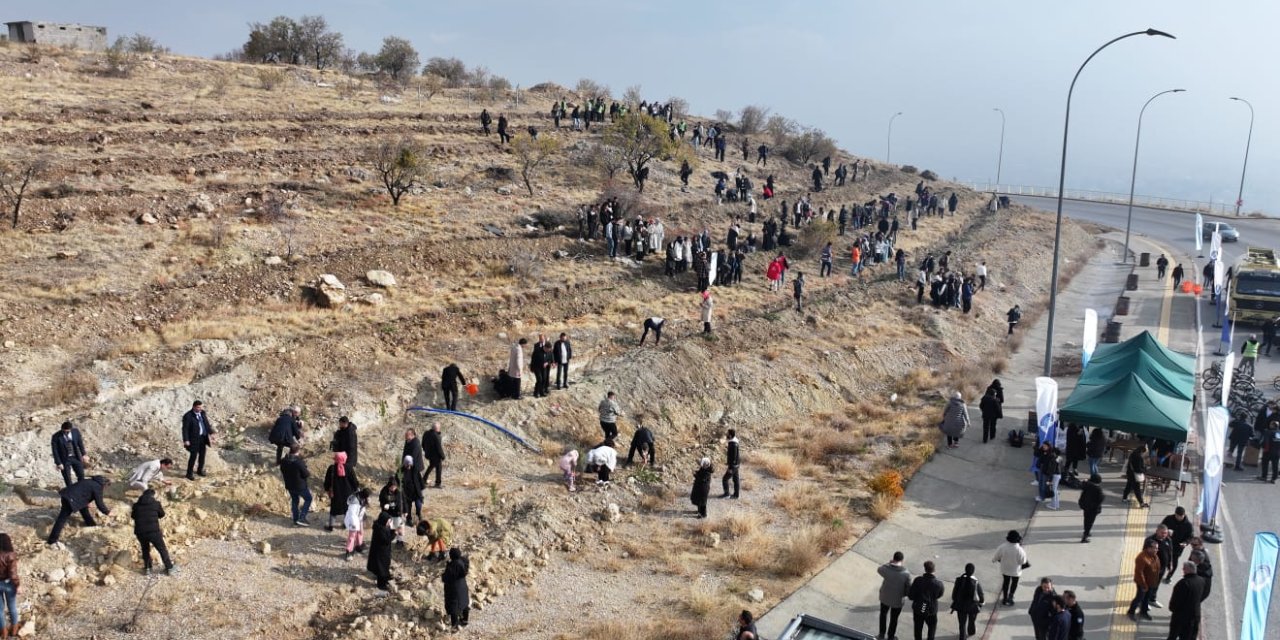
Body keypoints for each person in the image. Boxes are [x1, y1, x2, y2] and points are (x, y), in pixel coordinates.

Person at [46, 476, 111, 547]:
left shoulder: (89, 481)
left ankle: (91, 525)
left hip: (66, 494)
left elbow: (82, 490)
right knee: (62, 519)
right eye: (106, 487)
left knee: (84, 509)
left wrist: (87, 502)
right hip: (70, 499)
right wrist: (107, 512)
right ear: (105, 484)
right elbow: (100, 504)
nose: (105, 489)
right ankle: (52, 540)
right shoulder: (98, 487)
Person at [131, 488, 177, 576]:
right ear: (152, 495)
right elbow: (162, 514)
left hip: (140, 532)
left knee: (145, 550)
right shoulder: (156, 504)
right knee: (162, 549)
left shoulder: (136, 505)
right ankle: (169, 568)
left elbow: (133, 516)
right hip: (153, 531)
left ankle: (148, 569)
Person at [878, 551, 912, 640]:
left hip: (885, 597)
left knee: (883, 615)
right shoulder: (906, 573)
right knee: (894, 619)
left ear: (893, 559)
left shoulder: (886, 569)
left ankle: (881, 634)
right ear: (902, 560)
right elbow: (908, 588)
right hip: (898, 599)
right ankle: (891, 636)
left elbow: (879, 569)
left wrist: (889, 563)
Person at [1167, 561, 1205, 639]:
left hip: (1181, 617)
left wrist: (1172, 609)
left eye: (1184, 569)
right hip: (1195, 615)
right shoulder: (1201, 580)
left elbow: (1175, 601)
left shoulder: (1183, 583)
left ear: (1188, 570)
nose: (1183, 570)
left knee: (1173, 635)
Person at [908, 560, 944, 640]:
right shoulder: (939, 584)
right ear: (934, 570)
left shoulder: (918, 580)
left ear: (925, 569)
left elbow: (911, 595)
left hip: (918, 608)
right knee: (932, 629)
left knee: (918, 630)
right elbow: (939, 595)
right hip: (931, 610)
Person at [323, 452, 359, 532]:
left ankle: (330, 526)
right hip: (348, 493)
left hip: (336, 494)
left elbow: (327, 481)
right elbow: (354, 481)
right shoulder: (349, 467)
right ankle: (346, 525)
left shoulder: (331, 468)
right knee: (347, 510)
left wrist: (327, 489)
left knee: (334, 510)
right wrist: (356, 489)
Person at [1127, 539, 1161, 621]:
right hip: (1143, 583)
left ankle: (1143, 612)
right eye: (1155, 548)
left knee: (1147, 598)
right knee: (1139, 598)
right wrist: (1144, 585)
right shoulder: (1141, 558)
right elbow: (1139, 573)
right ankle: (1131, 612)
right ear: (1148, 548)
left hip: (1151, 582)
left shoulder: (1154, 555)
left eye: (1157, 548)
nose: (1156, 550)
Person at [993, 530, 1028, 606]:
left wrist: (995, 560)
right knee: (1014, 583)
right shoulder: (1020, 550)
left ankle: (1005, 598)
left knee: (1006, 583)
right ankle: (1010, 597)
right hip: (1016, 571)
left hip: (1005, 569)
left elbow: (996, 556)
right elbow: (1023, 561)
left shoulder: (1002, 547)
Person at [950, 563, 984, 640]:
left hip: (960, 605)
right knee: (972, 620)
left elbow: (954, 593)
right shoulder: (975, 581)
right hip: (972, 606)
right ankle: (971, 631)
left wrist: (955, 601)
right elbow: (980, 594)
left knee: (962, 623)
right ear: (973, 571)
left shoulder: (959, 580)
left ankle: (962, 637)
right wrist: (981, 602)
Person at [278, 447, 312, 527]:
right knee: (308, 499)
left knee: (294, 501)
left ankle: (295, 520)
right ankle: (302, 518)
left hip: (290, 486)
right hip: (300, 486)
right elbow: (306, 474)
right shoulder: (299, 462)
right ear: (298, 451)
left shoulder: (283, 461)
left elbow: (282, 470)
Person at [1162, 507, 1195, 582]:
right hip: (1166, 543)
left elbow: (1190, 537)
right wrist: (1166, 532)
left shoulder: (1188, 525)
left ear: (1184, 515)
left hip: (1177, 547)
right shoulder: (1169, 519)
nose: (1179, 518)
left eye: (1181, 516)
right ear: (1175, 514)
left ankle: (1169, 576)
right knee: (1162, 558)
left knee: (1174, 562)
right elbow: (1162, 526)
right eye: (1177, 516)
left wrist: (1185, 543)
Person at [50, 421, 87, 488]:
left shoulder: (75, 432)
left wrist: (83, 454)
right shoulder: (56, 436)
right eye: (64, 431)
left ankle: (81, 490)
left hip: (76, 457)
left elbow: (80, 443)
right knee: (67, 478)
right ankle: (71, 493)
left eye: (67, 431)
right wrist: (58, 463)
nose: (65, 433)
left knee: (81, 475)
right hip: (64, 460)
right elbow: (55, 451)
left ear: (71, 429)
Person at [1145, 524, 1174, 607]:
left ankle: (1152, 599)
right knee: (1149, 585)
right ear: (1157, 531)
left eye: (1165, 533)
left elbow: (1170, 552)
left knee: (1156, 585)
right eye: (1162, 533)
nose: (1164, 535)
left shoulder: (1168, 539)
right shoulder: (1150, 541)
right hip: (1152, 569)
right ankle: (1144, 601)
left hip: (1162, 568)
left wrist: (1170, 563)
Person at [443, 548, 471, 630]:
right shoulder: (464, 561)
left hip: (454, 589)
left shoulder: (452, 566)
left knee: (453, 607)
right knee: (464, 603)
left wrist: (448, 566)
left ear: (452, 556)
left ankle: (454, 626)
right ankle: (465, 620)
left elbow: (445, 578)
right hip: (462, 585)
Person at [367, 510, 395, 590]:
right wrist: (395, 533)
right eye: (388, 521)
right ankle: (381, 584)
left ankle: (386, 576)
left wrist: (393, 530)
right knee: (381, 568)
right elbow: (386, 540)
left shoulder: (382, 525)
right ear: (384, 520)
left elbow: (389, 533)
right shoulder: (380, 529)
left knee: (385, 564)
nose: (389, 523)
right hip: (380, 552)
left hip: (384, 551)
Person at [397, 455, 425, 527]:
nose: (408, 466)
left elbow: (420, 479)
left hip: (416, 492)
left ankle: (418, 514)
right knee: (408, 508)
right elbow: (397, 482)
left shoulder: (415, 469)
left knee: (419, 505)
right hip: (406, 493)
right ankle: (409, 520)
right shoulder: (400, 471)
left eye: (410, 464)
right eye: (407, 464)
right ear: (405, 464)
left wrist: (422, 489)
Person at [342, 488, 369, 561]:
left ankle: (358, 545)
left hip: (359, 519)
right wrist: (354, 525)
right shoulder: (354, 502)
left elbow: (362, 510)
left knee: (360, 532)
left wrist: (363, 518)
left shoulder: (362, 498)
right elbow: (352, 514)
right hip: (353, 521)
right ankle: (349, 551)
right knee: (352, 536)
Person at [379, 475, 406, 545]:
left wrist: (406, 511)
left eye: (395, 487)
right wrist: (384, 505)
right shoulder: (384, 491)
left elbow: (404, 501)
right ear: (389, 486)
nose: (393, 488)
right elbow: (382, 501)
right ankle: (388, 540)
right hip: (388, 513)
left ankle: (399, 541)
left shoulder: (399, 491)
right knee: (389, 527)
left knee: (400, 526)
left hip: (398, 512)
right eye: (392, 487)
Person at [0, 533, 18, 635]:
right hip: (9, 584)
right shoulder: (11, 554)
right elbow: (13, 574)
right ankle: (14, 630)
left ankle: (3, 632)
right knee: (12, 607)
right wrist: (18, 584)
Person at [1078, 474, 1104, 542]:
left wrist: (1085, 481)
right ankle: (1085, 536)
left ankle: (1086, 531)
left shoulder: (1087, 485)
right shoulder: (1098, 489)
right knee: (1090, 522)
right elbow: (1101, 498)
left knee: (1086, 519)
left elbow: (1081, 485)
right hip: (1093, 508)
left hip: (1086, 506)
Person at [423, 422, 445, 488]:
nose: (440, 429)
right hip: (436, 456)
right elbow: (439, 448)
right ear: (437, 428)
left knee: (431, 466)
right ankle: (438, 483)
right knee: (439, 468)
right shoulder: (436, 436)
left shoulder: (426, 433)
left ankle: (423, 479)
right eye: (439, 428)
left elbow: (423, 444)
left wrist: (426, 451)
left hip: (428, 455)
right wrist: (443, 456)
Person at [721, 429, 741, 499]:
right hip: (736, 465)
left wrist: (730, 467)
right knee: (736, 480)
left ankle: (726, 494)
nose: (726, 434)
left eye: (727, 433)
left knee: (725, 479)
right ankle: (736, 495)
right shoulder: (734, 442)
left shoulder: (733, 444)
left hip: (733, 466)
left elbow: (734, 456)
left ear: (730, 435)